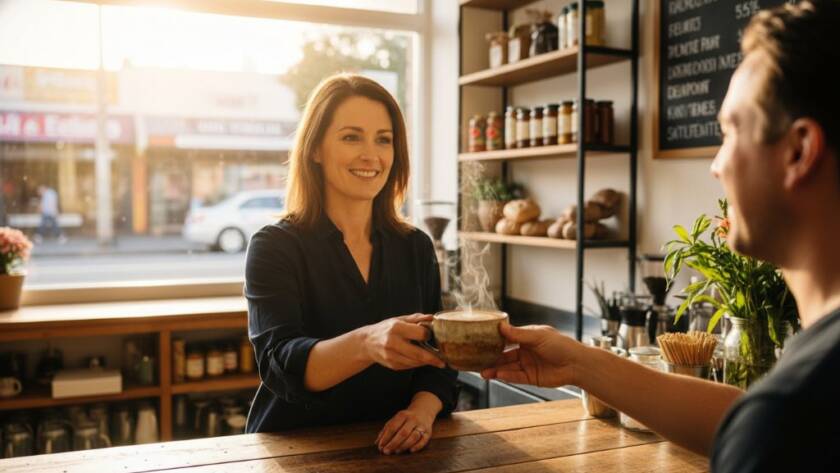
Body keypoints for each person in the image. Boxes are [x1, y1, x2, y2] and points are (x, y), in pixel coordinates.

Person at [482, 2, 840, 472]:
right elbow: (741, 420)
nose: (717, 165)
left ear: (799, 151)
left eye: (730, 132)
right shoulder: (798, 407)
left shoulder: (793, 416)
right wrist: (581, 363)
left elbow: (769, 427)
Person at [244, 74, 457, 455]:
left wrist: (421, 412)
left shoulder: (415, 246)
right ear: (315, 150)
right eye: (350, 137)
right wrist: (368, 342)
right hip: (297, 452)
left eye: (383, 139)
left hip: (398, 452)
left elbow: (439, 358)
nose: (371, 155)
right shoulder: (274, 246)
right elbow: (280, 363)